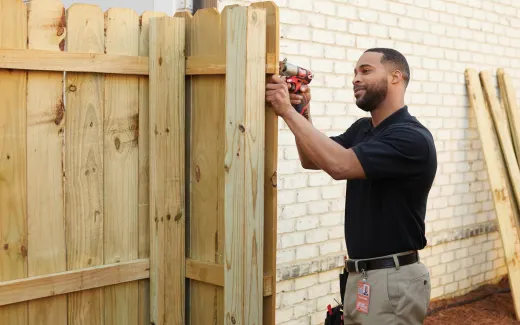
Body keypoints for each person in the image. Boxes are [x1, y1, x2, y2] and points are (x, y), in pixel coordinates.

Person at [266, 48, 437, 325]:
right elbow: (312, 159)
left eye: (366, 71)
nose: (356, 78)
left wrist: (285, 110)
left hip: (392, 280)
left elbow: (340, 166)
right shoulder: (363, 129)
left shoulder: (411, 138)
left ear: (396, 77)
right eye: (355, 73)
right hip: (363, 277)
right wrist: (301, 111)